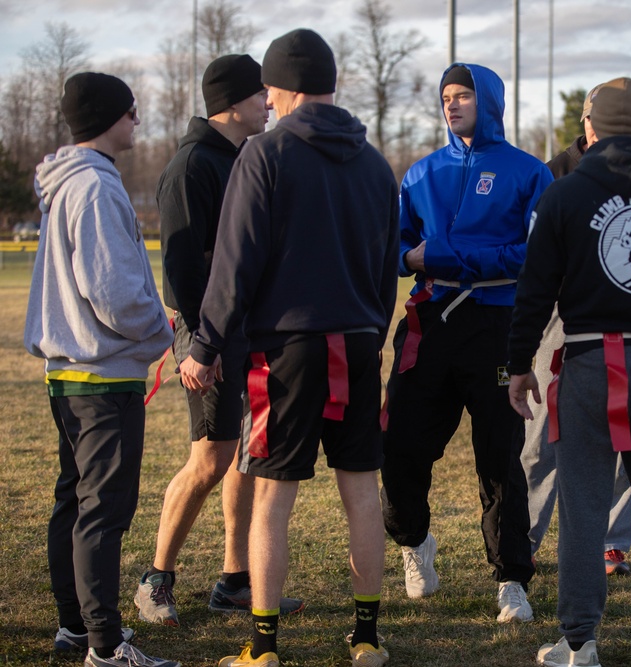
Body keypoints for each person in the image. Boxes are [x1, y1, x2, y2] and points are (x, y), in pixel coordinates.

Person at [178, 28, 398, 667]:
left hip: (287, 352)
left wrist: (205, 343)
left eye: (271, 90)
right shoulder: (376, 162)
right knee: (361, 489)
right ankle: (365, 641)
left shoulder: (263, 154)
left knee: (273, 493)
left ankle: (264, 647)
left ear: (288, 87)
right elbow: (387, 267)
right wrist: (370, 330)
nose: (267, 103)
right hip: (358, 342)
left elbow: (233, 262)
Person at [509, 76, 631, 667]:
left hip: (591, 360)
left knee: (585, 506)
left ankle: (579, 641)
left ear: (591, 127)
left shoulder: (565, 194)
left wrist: (518, 365)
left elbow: (535, 288)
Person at [133, 53, 303, 627]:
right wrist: (201, 347)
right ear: (233, 103)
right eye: (261, 95)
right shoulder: (191, 167)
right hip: (209, 334)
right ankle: (155, 579)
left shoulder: (244, 156)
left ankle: (234, 581)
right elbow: (181, 273)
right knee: (207, 459)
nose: (269, 104)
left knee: (241, 455)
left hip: (247, 331)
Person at [380, 62, 552, 622]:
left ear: (490, 101)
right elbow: (399, 250)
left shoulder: (529, 173)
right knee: (400, 442)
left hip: (498, 328)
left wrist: (454, 259)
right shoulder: (420, 173)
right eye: (446, 96)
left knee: (499, 455)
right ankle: (414, 541)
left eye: (463, 96)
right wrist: (414, 259)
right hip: (430, 324)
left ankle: (510, 580)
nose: (452, 105)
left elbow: (535, 256)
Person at [24, 72, 178, 667]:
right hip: (101, 374)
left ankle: (75, 628)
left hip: (71, 373)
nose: (138, 120)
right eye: (132, 111)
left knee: (77, 503)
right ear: (110, 118)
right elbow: (112, 292)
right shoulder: (94, 186)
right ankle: (106, 647)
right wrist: (160, 329)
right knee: (102, 513)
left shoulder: (74, 181)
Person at [520, 82, 631, 576]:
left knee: (630, 427)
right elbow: (535, 258)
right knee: (544, 427)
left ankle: (612, 538)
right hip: (565, 315)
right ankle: (523, 533)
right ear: (587, 122)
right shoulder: (555, 174)